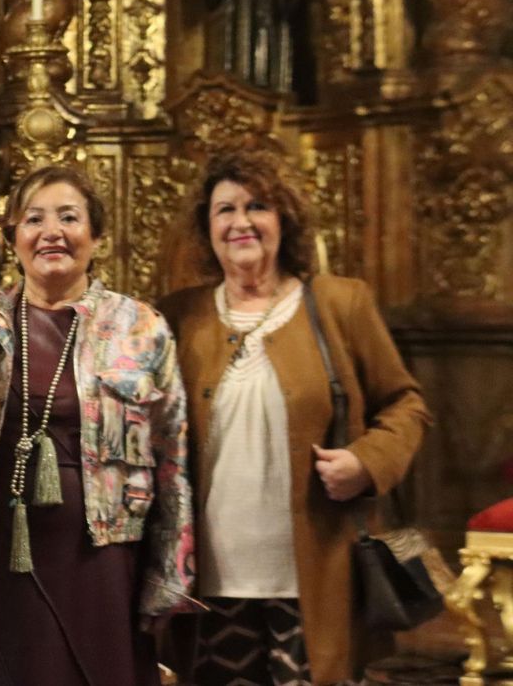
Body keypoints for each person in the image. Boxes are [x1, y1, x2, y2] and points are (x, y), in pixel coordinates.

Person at [159, 149, 430, 685]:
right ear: (206, 228)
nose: (241, 222)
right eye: (225, 209)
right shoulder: (179, 316)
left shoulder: (339, 304)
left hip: (314, 573)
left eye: (258, 206)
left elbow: (406, 404)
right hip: (211, 579)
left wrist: (366, 462)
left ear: (284, 220)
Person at [0, 163, 194, 686]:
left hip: (105, 551)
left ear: (96, 235)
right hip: (0, 547)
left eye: (68, 217)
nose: (51, 232)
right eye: (34, 219)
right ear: (13, 236)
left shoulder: (140, 327)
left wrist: (172, 574)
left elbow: (174, 456)